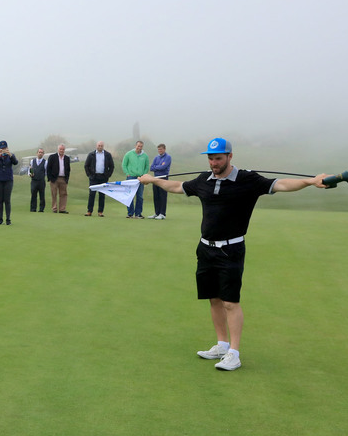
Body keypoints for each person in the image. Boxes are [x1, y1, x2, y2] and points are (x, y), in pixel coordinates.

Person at [138, 138, 329, 371]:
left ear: (230, 156)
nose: (213, 162)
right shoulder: (203, 180)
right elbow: (177, 187)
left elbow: (281, 184)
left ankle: (234, 353)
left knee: (230, 302)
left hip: (231, 249)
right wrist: (153, 180)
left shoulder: (247, 180)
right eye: (210, 158)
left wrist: (311, 181)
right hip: (205, 248)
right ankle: (221, 344)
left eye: (218, 158)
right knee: (214, 298)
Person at [0, 140, 18, 225]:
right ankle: (0, 219)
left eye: (4, 148)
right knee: (0, 200)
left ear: (7, 148)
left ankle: (8, 219)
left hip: (8, 180)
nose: (3, 150)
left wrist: (10, 155)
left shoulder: (11, 156)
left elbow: (16, 162)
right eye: (1, 148)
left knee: (7, 200)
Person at [84, 140, 115, 216]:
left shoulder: (107, 155)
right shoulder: (91, 154)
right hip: (93, 177)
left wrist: (108, 175)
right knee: (92, 194)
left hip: (103, 177)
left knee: (102, 195)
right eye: (99, 145)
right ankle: (89, 211)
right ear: (96, 146)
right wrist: (89, 175)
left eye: (101, 146)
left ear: (103, 146)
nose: (100, 147)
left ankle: (100, 212)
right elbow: (86, 165)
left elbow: (111, 166)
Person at [122, 141, 150, 218]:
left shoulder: (145, 156)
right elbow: (124, 164)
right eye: (138, 146)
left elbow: (147, 166)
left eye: (141, 146)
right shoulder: (129, 154)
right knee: (130, 195)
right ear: (135, 146)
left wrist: (143, 175)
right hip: (131, 177)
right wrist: (127, 173)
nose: (139, 148)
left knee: (140, 196)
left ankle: (138, 214)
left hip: (141, 178)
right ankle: (130, 213)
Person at [46, 144, 72, 213]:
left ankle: (62, 209)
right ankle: (54, 208)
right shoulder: (52, 157)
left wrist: (67, 179)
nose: (62, 150)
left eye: (63, 149)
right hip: (54, 179)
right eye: (60, 149)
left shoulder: (67, 158)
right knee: (54, 194)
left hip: (63, 178)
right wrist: (50, 178)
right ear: (58, 149)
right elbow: (48, 168)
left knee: (63, 194)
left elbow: (68, 169)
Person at [149, 143, 172, 219]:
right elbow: (151, 168)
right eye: (158, 149)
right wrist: (158, 167)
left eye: (161, 149)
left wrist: (156, 167)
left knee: (162, 196)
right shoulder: (156, 158)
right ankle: (157, 213)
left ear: (164, 149)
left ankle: (162, 214)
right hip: (155, 178)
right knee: (156, 196)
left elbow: (164, 167)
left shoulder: (168, 157)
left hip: (163, 178)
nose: (159, 151)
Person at [27, 148, 47, 213]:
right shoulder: (32, 161)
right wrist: (30, 174)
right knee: (33, 195)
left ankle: (41, 209)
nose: (40, 153)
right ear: (37, 153)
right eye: (39, 152)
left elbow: (46, 171)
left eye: (41, 152)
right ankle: (33, 209)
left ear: (43, 154)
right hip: (34, 181)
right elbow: (30, 169)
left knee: (42, 195)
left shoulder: (45, 162)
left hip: (41, 181)